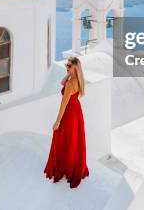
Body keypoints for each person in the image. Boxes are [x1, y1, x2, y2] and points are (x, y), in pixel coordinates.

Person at [43, 56, 89, 188]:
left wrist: (57, 121)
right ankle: (71, 165)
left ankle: (65, 167)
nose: (67, 68)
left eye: (69, 66)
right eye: (66, 65)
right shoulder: (77, 79)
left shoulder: (70, 84)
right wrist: (68, 73)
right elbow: (61, 83)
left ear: (75, 67)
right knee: (74, 140)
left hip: (69, 113)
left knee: (63, 138)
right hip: (77, 111)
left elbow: (63, 104)